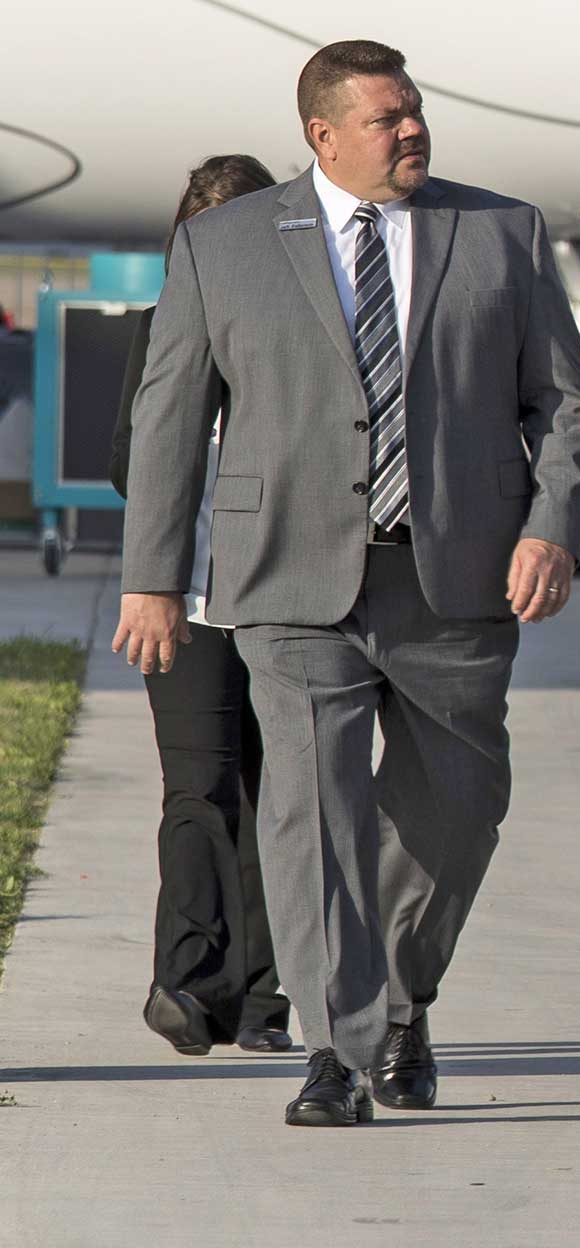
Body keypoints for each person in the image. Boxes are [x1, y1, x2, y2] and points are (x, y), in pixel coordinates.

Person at [117, 40, 580, 1129]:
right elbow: (169, 414)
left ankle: (399, 996)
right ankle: (336, 1050)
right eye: (387, 119)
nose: (412, 131)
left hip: (458, 578)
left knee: (458, 806)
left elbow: (562, 405)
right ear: (322, 135)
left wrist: (552, 525)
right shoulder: (225, 245)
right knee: (313, 814)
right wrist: (152, 576)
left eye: (416, 112)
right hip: (289, 574)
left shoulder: (500, 232)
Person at [109, 153, 297, 1060]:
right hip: (184, 603)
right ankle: (186, 980)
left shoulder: (311, 336)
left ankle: (263, 998)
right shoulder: (159, 332)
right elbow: (127, 463)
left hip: (285, 596)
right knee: (198, 790)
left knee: (281, 797)